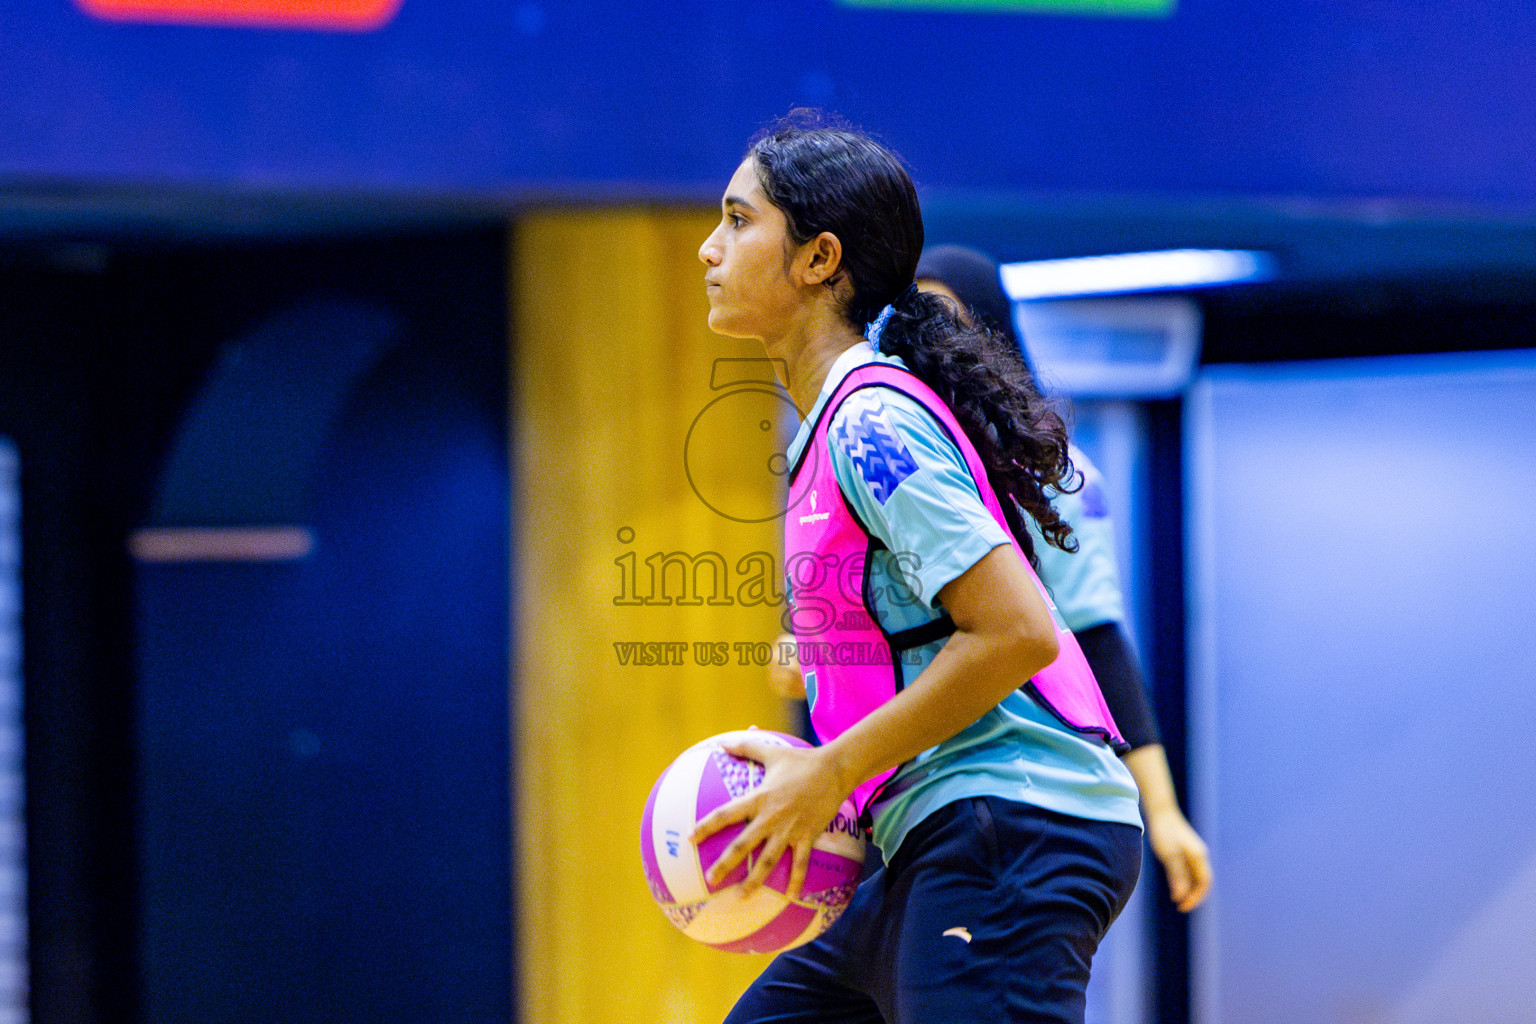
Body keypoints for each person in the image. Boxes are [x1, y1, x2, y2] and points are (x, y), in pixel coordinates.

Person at [694, 111, 1143, 1024]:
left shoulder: (873, 422)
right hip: (939, 832)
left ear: (820, 259)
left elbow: (1016, 633)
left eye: (739, 221)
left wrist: (828, 774)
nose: (710, 247)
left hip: (1012, 825)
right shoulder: (831, 427)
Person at [769, 243, 1212, 914]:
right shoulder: (869, 445)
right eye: (907, 323)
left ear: (993, 338)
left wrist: (1165, 811)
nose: (923, 342)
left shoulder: (1051, 475)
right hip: (888, 792)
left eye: (945, 322)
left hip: (1002, 792)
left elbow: (1095, 640)